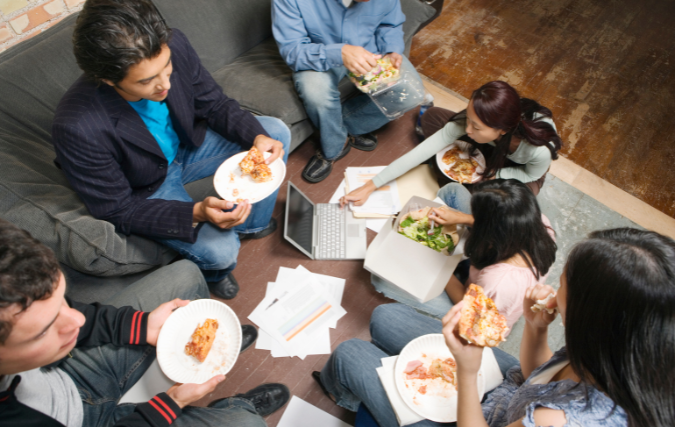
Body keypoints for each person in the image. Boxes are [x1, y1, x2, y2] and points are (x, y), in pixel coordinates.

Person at [52, 0, 292, 300]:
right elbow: (118, 209)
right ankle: (215, 272)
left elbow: (214, 104)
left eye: (166, 68)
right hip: (145, 182)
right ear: (108, 79)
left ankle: (250, 225)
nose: (165, 84)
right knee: (221, 252)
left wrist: (257, 136)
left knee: (274, 132)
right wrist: (196, 212)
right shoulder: (77, 126)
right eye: (147, 81)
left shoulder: (174, 43)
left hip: (188, 144)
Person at [316, 227, 675, 427]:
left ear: (589, 318)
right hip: (513, 395)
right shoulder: (619, 354)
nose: (556, 287)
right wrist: (536, 328)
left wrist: (468, 374)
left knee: (349, 353)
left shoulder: (558, 422)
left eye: (564, 282)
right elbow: (541, 378)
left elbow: (545, 404)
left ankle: (349, 400)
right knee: (385, 317)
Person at [0, 219, 291, 427]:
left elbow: (77, 316)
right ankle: (235, 407)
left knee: (186, 275)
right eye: (44, 330)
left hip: (66, 371)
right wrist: (171, 403)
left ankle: (211, 354)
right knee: (246, 423)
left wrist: (142, 326)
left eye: (63, 301)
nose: (77, 321)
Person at [340, 81, 563, 208]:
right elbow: (421, 152)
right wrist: (371, 186)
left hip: (525, 170)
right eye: (468, 118)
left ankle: (482, 183)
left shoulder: (537, 150)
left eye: (476, 126)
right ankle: (477, 171)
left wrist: (493, 175)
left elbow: (530, 175)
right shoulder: (476, 126)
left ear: (501, 130)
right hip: (490, 146)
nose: (468, 129)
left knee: (518, 200)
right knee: (432, 117)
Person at [272, 0, 425, 183]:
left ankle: (343, 129)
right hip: (319, 56)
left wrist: (392, 49)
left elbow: (390, 24)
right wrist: (340, 52)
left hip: (371, 52)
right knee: (315, 91)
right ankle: (335, 146)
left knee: (411, 93)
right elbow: (293, 51)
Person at [375, 179, 556, 325]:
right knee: (452, 191)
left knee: (380, 281)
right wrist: (460, 217)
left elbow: (467, 306)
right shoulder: (540, 224)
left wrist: (437, 262)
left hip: (476, 310)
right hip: (482, 273)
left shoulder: (498, 281)